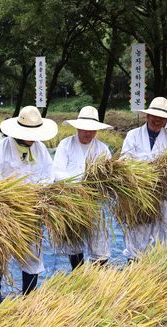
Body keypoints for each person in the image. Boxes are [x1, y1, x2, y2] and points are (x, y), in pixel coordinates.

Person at [0, 105, 57, 306]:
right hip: (6, 211)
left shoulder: (40, 149)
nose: (32, 138)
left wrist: (35, 196)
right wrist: (12, 199)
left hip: (32, 211)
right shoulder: (0, 149)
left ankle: (29, 296)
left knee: (31, 253)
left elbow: (49, 175)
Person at [120, 97, 167, 260]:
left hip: (163, 195)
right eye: (154, 116)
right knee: (137, 235)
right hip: (140, 195)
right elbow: (124, 162)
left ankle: (160, 273)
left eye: (162, 118)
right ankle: (133, 270)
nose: (157, 120)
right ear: (148, 116)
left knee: (164, 235)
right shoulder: (133, 136)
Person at [52, 106, 113, 269]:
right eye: (86, 129)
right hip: (72, 202)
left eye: (93, 130)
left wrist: (98, 186)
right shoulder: (66, 145)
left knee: (99, 244)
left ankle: (99, 281)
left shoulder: (102, 149)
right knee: (73, 243)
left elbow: (109, 177)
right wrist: (81, 182)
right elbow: (57, 173)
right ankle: (78, 276)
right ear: (78, 127)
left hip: (95, 204)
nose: (89, 133)